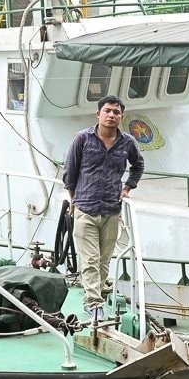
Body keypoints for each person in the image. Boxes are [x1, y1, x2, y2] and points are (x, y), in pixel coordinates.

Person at [62, 95, 144, 317]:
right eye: (107, 111)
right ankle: (93, 303)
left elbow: (138, 165)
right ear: (98, 114)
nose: (111, 115)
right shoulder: (83, 139)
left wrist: (127, 188)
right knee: (90, 259)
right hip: (85, 207)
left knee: (104, 260)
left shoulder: (128, 143)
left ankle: (96, 292)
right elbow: (70, 170)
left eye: (116, 112)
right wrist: (73, 199)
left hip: (111, 209)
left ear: (121, 117)